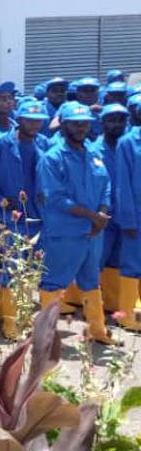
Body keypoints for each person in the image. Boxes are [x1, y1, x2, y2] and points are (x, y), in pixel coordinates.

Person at [37, 103, 115, 345]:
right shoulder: (53, 158)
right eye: (75, 123)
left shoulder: (94, 153)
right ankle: (46, 336)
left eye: (85, 123)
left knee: (91, 281)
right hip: (65, 232)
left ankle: (98, 330)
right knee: (53, 282)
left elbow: (106, 186)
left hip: (94, 233)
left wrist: (102, 213)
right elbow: (56, 198)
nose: (81, 128)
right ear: (64, 125)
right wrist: (93, 217)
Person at [0, 100, 51, 340]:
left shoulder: (43, 143)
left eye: (39, 120)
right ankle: (10, 323)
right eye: (29, 119)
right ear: (20, 119)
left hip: (36, 216)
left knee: (30, 268)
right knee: (11, 265)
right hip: (8, 215)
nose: (34, 124)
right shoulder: (0, 143)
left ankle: (20, 315)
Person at [94, 104, 130, 315]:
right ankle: (93, 308)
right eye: (111, 120)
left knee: (117, 260)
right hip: (102, 215)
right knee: (97, 260)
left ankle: (111, 303)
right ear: (102, 123)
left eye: (121, 120)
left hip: (125, 215)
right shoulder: (93, 150)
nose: (117, 124)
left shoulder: (129, 146)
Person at [114, 112, 141, 331]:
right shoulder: (128, 142)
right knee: (132, 266)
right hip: (136, 214)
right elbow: (122, 184)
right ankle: (130, 317)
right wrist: (128, 220)